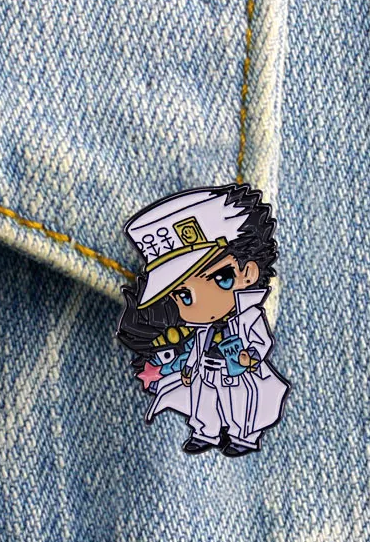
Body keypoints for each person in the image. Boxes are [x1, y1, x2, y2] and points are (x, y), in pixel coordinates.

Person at [118, 184, 290, 457]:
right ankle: (205, 432)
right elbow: (198, 345)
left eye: (221, 278)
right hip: (205, 369)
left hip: (237, 371)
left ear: (247, 274)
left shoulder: (249, 316)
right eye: (183, 295)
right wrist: (188, 367)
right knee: (203, 402)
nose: (200, 303)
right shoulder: (201, 326)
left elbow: (261, 340)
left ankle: (243, 436)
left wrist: (251, 357)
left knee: (240, 403)